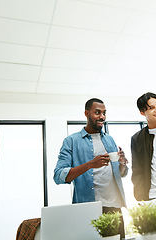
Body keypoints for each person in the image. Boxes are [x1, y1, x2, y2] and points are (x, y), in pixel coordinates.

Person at [53, 98, 128, 239]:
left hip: (114, 209)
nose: (102, 117)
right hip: (88, 210)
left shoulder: (110, 139)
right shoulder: (71, 141)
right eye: (97, 112)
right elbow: (58, 176)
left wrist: (122, 163)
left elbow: (120, 173)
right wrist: (90, 164)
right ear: (86, 113)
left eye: (104, 113)